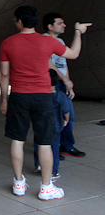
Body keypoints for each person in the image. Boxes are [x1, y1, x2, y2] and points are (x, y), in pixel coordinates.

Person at [0, 6, 90, 200]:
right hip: (43, 96)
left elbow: (4, 73)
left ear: (20, 22)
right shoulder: (47, 41)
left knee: (17, 139)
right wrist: (78, 32)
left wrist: (4, 99)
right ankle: (46, 187)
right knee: (45, 142)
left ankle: (18, 184)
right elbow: (73, 54)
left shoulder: (8, 43)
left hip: (19, 95)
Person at [42, 12, 86, 158]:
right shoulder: (44, 40)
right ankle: (51, 148)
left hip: (62, 84)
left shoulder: (59, 42)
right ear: (50, 26)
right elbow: (49, 64)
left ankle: (66, 146)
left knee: (69, 116)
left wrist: (68, 83)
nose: (64, 25)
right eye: (60, 23)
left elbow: (63, 63)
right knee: (52, 119)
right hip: (51, 85)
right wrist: (64, 80)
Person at [34, 70, 70, 180]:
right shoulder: (60, 96)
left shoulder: (40, 95)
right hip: (56, 125)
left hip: (40, 124)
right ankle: (53, 171)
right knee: (54, 148)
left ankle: (39, 165)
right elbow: (66, 110)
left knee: (39, 145)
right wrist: (66, 120)